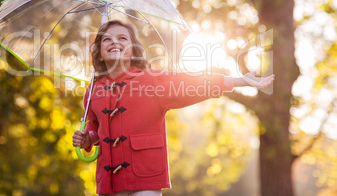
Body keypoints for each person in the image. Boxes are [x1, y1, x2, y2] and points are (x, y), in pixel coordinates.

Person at [72, 20, 274, 196]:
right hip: (108, 183)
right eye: (107, 39)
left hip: (145, 179)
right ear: (98, 54)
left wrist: (240, 81)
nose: (115, 41)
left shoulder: (151, 81)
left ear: (133, 50)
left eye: (122, 38)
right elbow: (95, 128)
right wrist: (88, 138)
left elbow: (193, 83)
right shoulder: (93, 90)